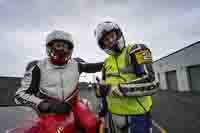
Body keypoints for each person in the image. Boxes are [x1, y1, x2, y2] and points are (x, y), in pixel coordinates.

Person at [14, 30, 103, 133]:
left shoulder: (76, 64)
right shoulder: (38, 67)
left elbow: (94, 66)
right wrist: (44, 105)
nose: (62, 49)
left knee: (92, 124)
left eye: (65, 46)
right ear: (50, 47)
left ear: (70, 49)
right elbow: (19, 95)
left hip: (74, 104)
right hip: (51, 109)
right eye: (58, 45)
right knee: (57, 131)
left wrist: (108, 62)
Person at [94, 21, 159, 133]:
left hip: (137, 118)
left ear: (118, 34)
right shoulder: (106, 63)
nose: (110, 41)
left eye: (112, 36)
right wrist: (102, 111)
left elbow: (153, 83)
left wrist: (117, 89)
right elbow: (104, 90)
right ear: (103, 45)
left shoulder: (136, 49)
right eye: (106, 40)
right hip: (112, 118)